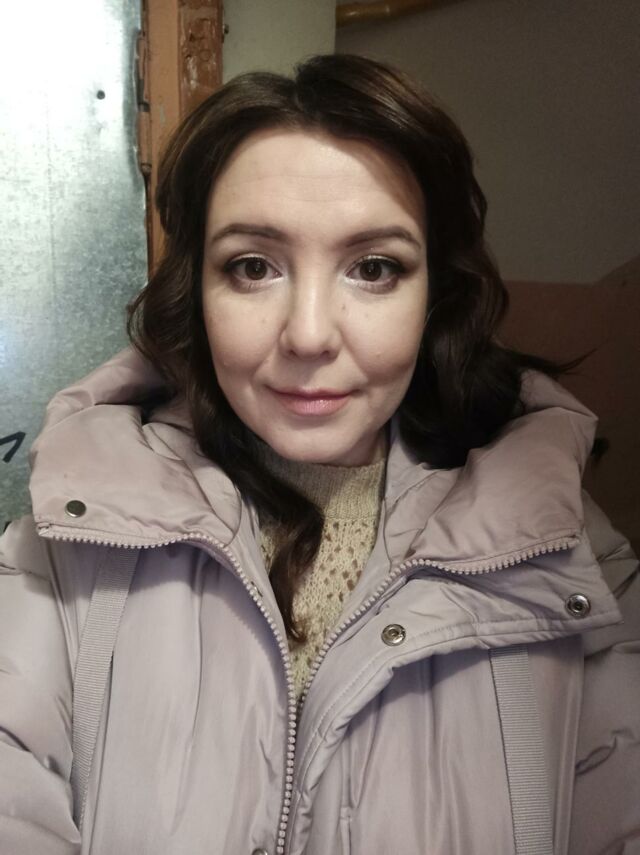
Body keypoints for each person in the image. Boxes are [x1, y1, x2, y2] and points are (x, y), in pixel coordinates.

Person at [0, 53, 638, 855]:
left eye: (373, 268)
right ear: (197, 291)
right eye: (253, 267)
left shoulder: (573, 560)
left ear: (434, 296)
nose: (308, 334)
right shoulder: (65, 544)